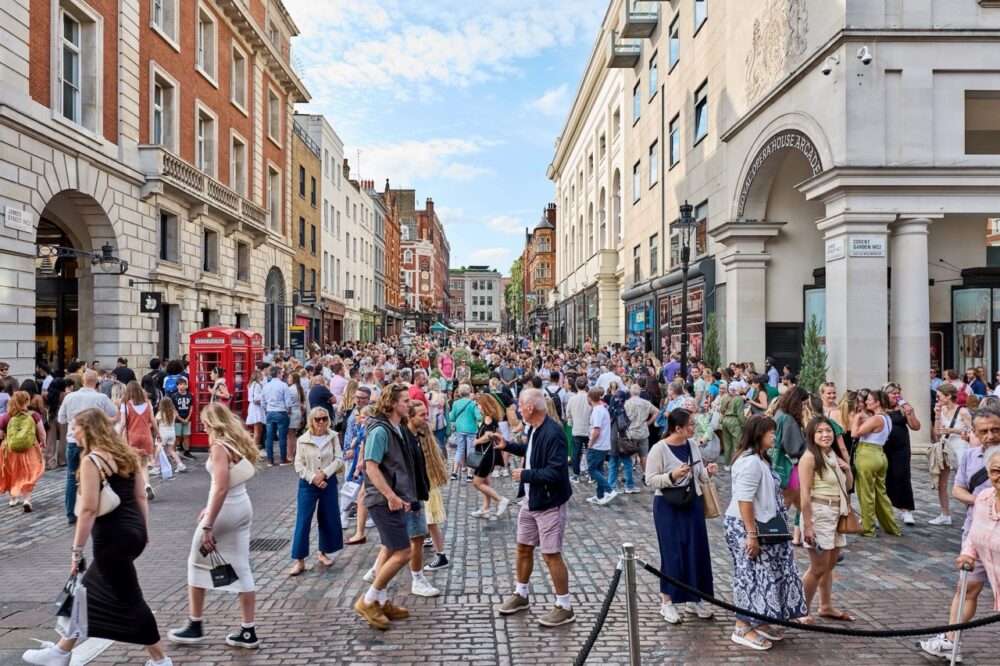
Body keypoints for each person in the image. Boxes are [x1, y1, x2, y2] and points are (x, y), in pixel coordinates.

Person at [22, 408, 173, 666]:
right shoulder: (126, 454)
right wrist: (143, 530)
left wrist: (76, 550)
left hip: (111, 538)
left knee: (131, 599)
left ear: (89, 429)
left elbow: (89, 509)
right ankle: (61, 652)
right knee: (85, 593)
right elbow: (139, 497)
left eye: (77, 428)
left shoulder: (92, 461)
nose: (73, 432)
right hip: (133, 532)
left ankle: (161, 660)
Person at [168, 403, 261, 649]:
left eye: (205, 422)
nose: (204, 426)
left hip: (225, 511)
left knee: (196, 560)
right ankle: (248, 631)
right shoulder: (236, 443)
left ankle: (195, 625)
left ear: (213, 423)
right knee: (242, 565)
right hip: (242, 507)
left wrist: (209, 523)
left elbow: (220, 487)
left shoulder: (218, 447)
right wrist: (208, 507)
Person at [920, 406, 1000, 661]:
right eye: (984, 431)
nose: (991, 435)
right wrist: (984, 503)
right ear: (974, 433)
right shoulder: (970, 457)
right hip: (977, 534)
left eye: (996, 429)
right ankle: (950, 641)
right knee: (965, 588)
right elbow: (958, 490)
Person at [724, 415, 807, 651]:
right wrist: (751, 534)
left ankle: (758, 619)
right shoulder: (750, 462)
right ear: (758, 434)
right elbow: (744, 500)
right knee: (750, 574)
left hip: (763, 523)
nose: (775, 436)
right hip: (748, 525)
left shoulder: (761, 458)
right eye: (771, 432)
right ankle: (742, 625)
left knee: (765, 574)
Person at [495, 389, 576, 627]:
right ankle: (521, 593)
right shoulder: (534, 429)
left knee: (550, 554)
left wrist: (525, 474)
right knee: (523, 547)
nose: (518, 409)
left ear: (530, 408)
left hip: (549, 502)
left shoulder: (554, 433)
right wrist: (507, 445)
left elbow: (556, 471)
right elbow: (530, 452)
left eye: (520, 405)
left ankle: (565, 605)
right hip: (531, 501)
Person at [354, 384, 421, 629]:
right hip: (384, 500)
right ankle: (369, 599)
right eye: (405, 401)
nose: (409, 404)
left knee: (392, 549)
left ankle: (381, 601)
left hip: (397, 498)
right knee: (404, 552)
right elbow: (371, 466)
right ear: (393, 404)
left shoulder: (396, 427)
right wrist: (391, 495)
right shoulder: (380, 431)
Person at [646, 408, 718, 624]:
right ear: (677, 428)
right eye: (690, 425)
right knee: (672, 553)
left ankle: (693, 599)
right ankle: (666, 602)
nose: (693, 428)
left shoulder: (692, 445)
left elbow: (700, 476)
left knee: (696, 551)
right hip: (668, 505)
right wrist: (672, 475)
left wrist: (709, 471)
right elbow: (650, 479)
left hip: (692, 503)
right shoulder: (659, 449)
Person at [797, 416, 854, 624]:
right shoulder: (810, 457)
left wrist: (847, 469)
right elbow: (804, 494)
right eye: (820, 431)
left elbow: (847, 487)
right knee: (818, 567)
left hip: (836, 513)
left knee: (829, 565)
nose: (825, 435)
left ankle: (826, 605)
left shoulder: (832, 455)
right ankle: (800, 608)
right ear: (812, 435)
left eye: (828, 431)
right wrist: (808, 525)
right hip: (819, 513)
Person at [288, 407, 344, 576]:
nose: (321, 422)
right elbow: (298, 464)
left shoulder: (333, 436)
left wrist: (324, 474)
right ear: (311, 421)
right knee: (303, 521)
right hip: (308, 483)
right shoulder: (302, 440)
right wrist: (314, 478)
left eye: (324, 418)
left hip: (328, 482)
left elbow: (339, 459)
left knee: (328, 517)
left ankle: (323, 552)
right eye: (317, 419)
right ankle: (299, 560)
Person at [58, 370, 118, 524]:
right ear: (96, 382)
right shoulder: (101, 397)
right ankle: (97, 508)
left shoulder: (70, 397)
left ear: (82, 381)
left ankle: (71, 514)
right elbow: (114, 414)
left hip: (73, 441)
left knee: (72, 477)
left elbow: (61, 419)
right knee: (97, 475)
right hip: (94, 442)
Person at [850, 389, 902, 537]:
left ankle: (868, 528)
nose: (866, 402)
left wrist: (857, 418)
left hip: (867, 455)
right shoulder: (887, 417)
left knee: (866, 493)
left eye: (869, 400)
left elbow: (855, 433)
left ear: (878, 402)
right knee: (881, 493)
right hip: (880, 454)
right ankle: (891, 527)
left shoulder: (876, 418)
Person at [956, 446, 1000, 611]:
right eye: (996, 470)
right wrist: (968, 553)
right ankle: (950, 637)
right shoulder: (984, 498)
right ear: (988, 472)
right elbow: (976, 530)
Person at [412, 400, 451, 572]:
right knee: (429, 523)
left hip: (425, 487)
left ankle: (441, 555)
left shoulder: (418, 437)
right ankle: (438, 553)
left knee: (430, 522)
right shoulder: (426, 436)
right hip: (429, 485)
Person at [931, 383, 971, 526]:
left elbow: (974, 431)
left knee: (965, 484)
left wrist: (953, 431)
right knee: (941, 484)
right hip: (945, 448)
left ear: (949, 396)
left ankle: (970, 518)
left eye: (940, 396)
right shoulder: (941, 410)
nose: (938, 399)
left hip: (960, 448)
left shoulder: (963, 411)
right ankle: (944, 514)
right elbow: (937, 431)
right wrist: (936, 416)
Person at [880, 382, 919, 525]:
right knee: (881, 478)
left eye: (898, 393)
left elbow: (916, 427)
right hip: (882, 447)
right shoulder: (879, 408)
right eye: (893, 393)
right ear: (885, 394)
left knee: (902, 476)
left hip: (900, 448)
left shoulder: (902, 408)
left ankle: (906, 510)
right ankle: (878, 511)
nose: (897, 396)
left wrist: (910, 414)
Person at [0, 391, 45, 512]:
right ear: (26, 401)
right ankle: (26, 500)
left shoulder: (6, 416)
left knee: (12, 472)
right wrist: (43, 444)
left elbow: (0, 435)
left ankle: (13, 498)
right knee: (28, 474)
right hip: (29, 448)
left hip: (10, 449)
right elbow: (42, 433)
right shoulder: (34, 415)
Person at [469, 394, 511, 518]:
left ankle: (501, 499)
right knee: (486, 481)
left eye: (478, 404)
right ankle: (486, 509)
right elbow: (498, 434)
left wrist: (476, 441)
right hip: (490, 454)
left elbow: (488, 435)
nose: (477, 406)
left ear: (484, 405)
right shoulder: (492, 417)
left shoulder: (488, 418)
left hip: (485, 455)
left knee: (477, 482)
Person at [120, 381, 157, 501]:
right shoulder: (148, 403)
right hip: (146, 436)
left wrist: (118, 437)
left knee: (134, 465)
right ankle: (147, 485)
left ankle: (136, 490)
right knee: (144, 465)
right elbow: (153, 420)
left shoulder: (125, 405)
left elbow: (123, 424)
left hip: (131, 437)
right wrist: (158, 433)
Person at [585, 387, 615, 505]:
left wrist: (591, 444)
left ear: (589, 398)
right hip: (604, 444)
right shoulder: (603, 409)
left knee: (592, 470)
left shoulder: (597, 411)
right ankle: (600, 495)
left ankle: (609, 490)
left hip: (597, 445)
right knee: (599, 469)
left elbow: (597, 431)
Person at [261, 367, 293, 466]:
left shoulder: (266, 386)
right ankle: (283, 459)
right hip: (281, 412)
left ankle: (270, 460)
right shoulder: (283, 385)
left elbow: (263, 402)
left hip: (270, 412)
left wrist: (267, 410)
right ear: (278, 373)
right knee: (282, 437)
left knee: (269, 437)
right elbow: (288, 402)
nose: (283, 374)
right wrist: (289, 412)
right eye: (282, 373)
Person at [449, 384, 480, 481]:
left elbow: (452, 417)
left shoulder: (455, 403)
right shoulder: (472, 404)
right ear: (469, 392)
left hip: (460, 429)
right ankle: (469, 475)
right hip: (471, 429)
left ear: (459, 393)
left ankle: (454, 472)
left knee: (459, 450)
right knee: (470, 451)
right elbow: (479, 417)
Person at [565, 376, 592, 483]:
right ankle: (590, 474)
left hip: (577, 429)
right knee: (590, 452)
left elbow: (568, 414)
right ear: (585, 386)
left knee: (576, 453)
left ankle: (576, 475)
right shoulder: (590, 398)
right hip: (588, 429)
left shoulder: (572, 399)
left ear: (576, 385)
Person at [44, 377, 69, 470]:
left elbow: (44, 407)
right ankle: (62, 460)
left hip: (50, 415)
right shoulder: (66, 395)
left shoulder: (46, 395)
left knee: (50, 439)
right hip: (62, 416)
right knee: (63, 439)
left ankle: (49, 462)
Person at [156, 397, 185, 475]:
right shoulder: (173, 412)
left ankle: (156, 467)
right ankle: (180, 464)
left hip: (163, 433)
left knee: (158, 450)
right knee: (171, 450)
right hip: (172, 433)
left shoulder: (160, 413)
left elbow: (155, 423)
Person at [167, 377, 194, 460]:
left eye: (184, 384)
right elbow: (173, 408)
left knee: (187, 435)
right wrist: (179, 418)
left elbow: (191, 406)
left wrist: (188, 417)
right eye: (181, 384)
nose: (183, 386)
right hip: (177, 419)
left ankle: (187, 451)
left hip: (187, 418)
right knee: (177, 436)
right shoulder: (174, 396)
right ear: (177, 386)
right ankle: (173, 453)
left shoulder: (189, 395)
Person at [719, 385, 746, 466]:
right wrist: (743, 424)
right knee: (737, 445)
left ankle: (727, 464)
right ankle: (735, 464)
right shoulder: (739, 398)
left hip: (725, 420)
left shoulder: (725, 397)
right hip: (734, 421)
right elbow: (740, 414)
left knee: (727, 444)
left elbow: (721, 410)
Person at [286, 371, 307, 461]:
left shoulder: (290, 389)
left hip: (292, 414)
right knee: (294, 435)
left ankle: (290, 455)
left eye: (290, 378)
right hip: (297, 412)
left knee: (290, 436)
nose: (288, 379)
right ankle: (294, 453)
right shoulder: (299, 388)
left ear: (294, 379)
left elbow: (288, 403)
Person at [245, 369, 265, 449]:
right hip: (256, 408)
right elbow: (256, 397)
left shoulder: (251, 384)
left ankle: (256, 448)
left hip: (254, 407)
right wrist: (264, 396)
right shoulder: (256, 385)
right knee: (257, 431)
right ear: (258, 376)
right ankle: (254, 450)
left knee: (259, 430)